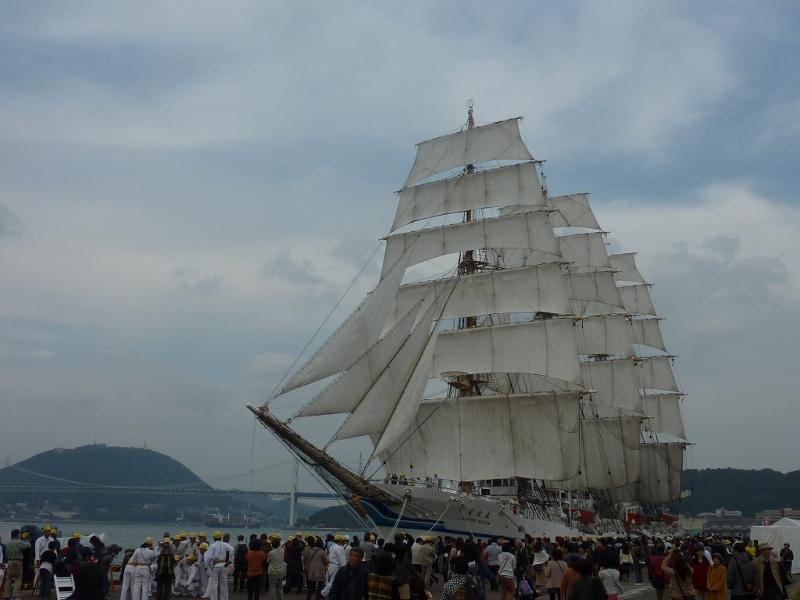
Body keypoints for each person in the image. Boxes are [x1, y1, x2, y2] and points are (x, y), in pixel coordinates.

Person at [205, 531, 234, 600]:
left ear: (214, 538)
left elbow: (208, 557)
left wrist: (206, 566)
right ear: (220, 538)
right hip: (224, 565)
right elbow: (232, 550)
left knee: (214, 584)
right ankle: (224, 599)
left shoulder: (212, 545)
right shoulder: (225, 544)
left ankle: (214, 599)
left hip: (215, 566)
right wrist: (230, 560)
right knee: (224, 584)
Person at [4, 529, 27, 600]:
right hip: (17, 561)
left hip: (9, 561)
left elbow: (5, 553)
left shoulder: (7, 543)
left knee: (9, 579)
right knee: (18, 578)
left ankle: (7, 595)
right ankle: (15, 595)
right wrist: (25, 538)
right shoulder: (19, 542)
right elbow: (27, 546)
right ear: (18, 535)